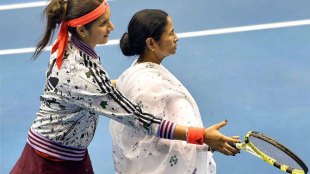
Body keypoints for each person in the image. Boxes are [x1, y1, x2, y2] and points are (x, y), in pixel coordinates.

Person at [10, 0, 240, 174]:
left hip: (72, 156)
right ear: (82, 30)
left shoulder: (72, 48)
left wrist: (133, 79)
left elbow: (92, 93)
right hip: (48, 164)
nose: (112, 26)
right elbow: (140, 119)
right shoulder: (82, 74)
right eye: (103, 23)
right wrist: (200, 136)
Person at [109, 9, 232, 174]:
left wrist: (206, 141)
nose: (176, 37)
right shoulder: (148, 85)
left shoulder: (135, 71)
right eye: (171, 33)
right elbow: (154, 136)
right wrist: (203, 138)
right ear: (151, 44)